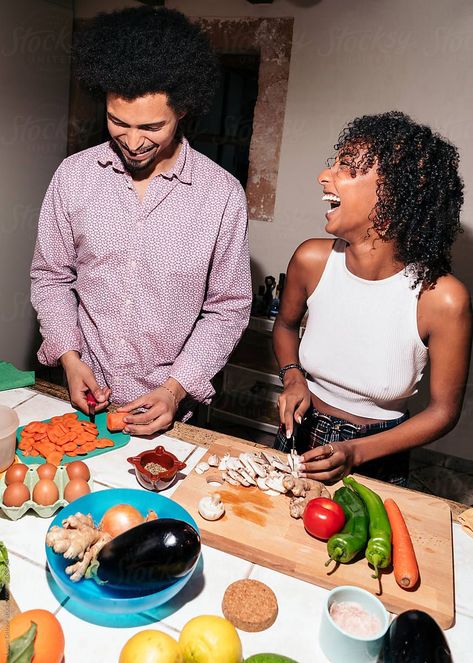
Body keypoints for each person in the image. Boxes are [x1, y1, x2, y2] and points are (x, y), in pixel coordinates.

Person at [31, 7, 252, 436]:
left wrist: (174, 389)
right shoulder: (73, 176)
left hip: (172, 412)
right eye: (118, 122)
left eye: (152, 126)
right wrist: (69, 358)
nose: (132, 143)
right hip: (82, 401)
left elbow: (227, 310)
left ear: (183, 110)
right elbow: (51, 277)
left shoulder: (222, 195)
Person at [273, 111, 472, 486]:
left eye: (346, 167)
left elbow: (444, 411)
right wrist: (293, 378)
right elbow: (284, 326)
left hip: (379, 454)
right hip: (298, 434)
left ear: (394, 192)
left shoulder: (443, 299)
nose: (324, 175)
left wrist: (358, 451)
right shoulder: (311, 261)